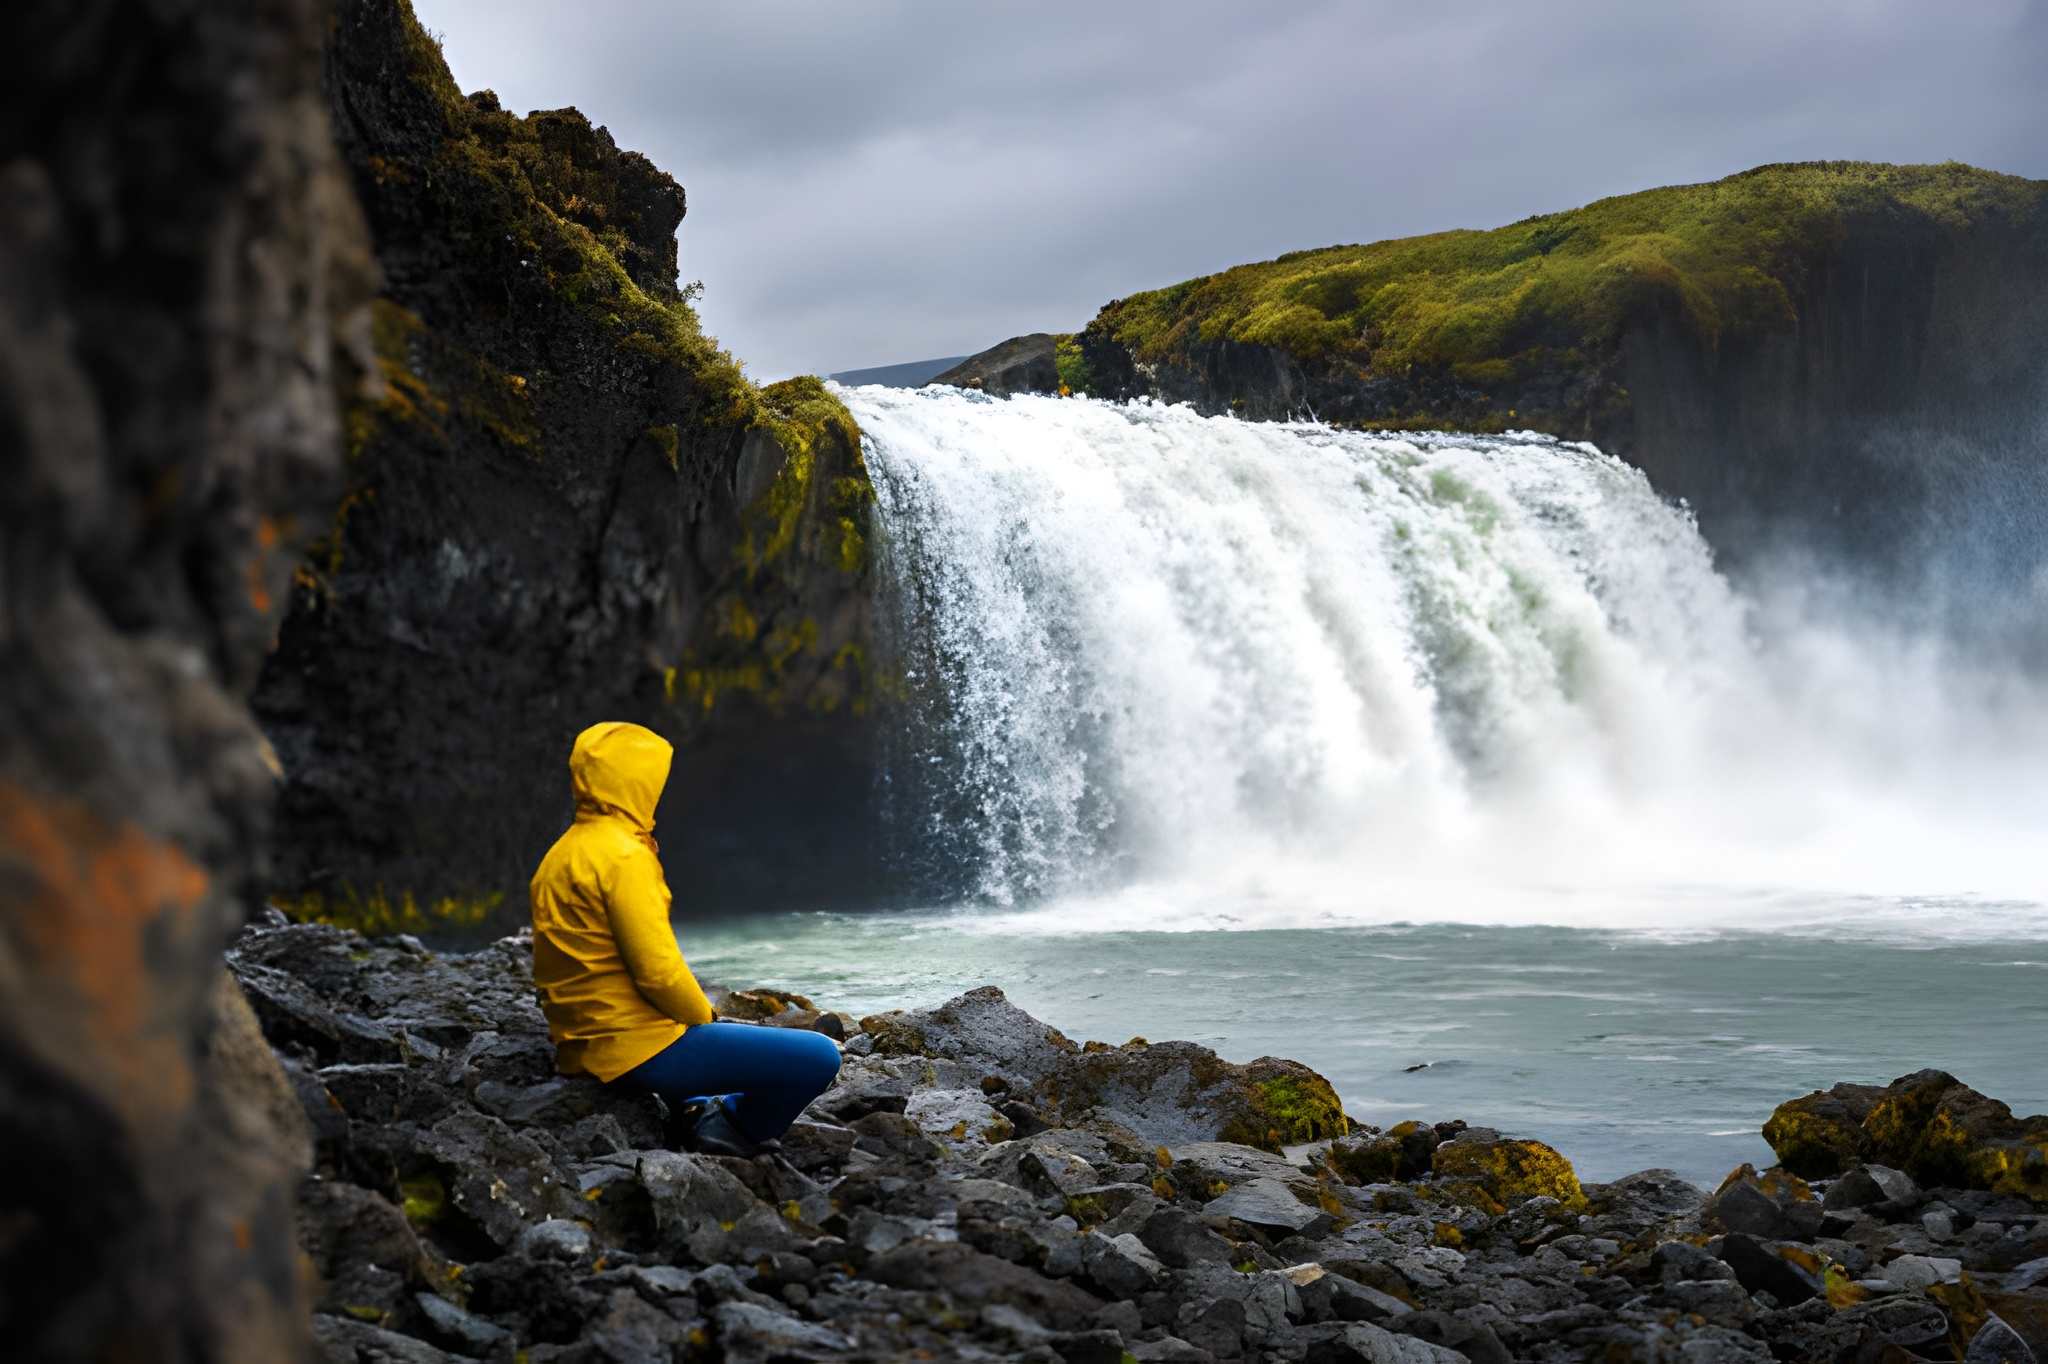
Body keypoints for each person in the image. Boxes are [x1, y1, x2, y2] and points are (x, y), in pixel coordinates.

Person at [529, 720, 840, 1157]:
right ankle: (729, 1125)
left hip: (582, 1046)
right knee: (819, 1056)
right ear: (636, 781)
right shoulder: (622, 857)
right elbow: (657, 972)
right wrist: (704, 1017)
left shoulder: (562, 853)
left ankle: (692, 1105)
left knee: (730, 1039)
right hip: (638, 1050)